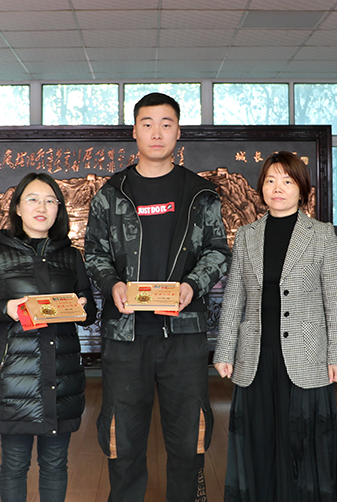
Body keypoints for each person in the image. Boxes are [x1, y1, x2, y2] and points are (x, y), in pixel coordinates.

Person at [84, 92, 231, 502]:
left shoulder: (200, 193)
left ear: (178, 132)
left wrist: (192, 286)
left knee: (188, 438)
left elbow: (219, 252)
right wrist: (112, 285)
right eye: (147, 124)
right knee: (123, 438)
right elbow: (94, 253)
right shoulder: (111, 193)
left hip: (183, 335)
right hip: (126, 335)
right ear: (134, 131)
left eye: (166, 124)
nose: (156, 132)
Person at [213, 151, 337, 502]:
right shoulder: (247, 235)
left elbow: (335, 300)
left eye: (287, 181)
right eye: (271, 180)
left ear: (302, 190)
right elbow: (234, 297)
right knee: (259, 440)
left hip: (306, 355)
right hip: (256, 355)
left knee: (302, 443)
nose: (278, 188)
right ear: (262, 187)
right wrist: (224, 350)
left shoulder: (322, 235)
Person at [0, 172, 97, 502]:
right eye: (32, 199)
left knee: (56, 465)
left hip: (62, 378)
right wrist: (6, 308)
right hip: (15, 382)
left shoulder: (71, 256)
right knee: (15, 465)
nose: (42, 207)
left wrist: (81, 307)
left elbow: (90, 311)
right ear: (18, 208)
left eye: (50, 201)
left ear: (59, 210)